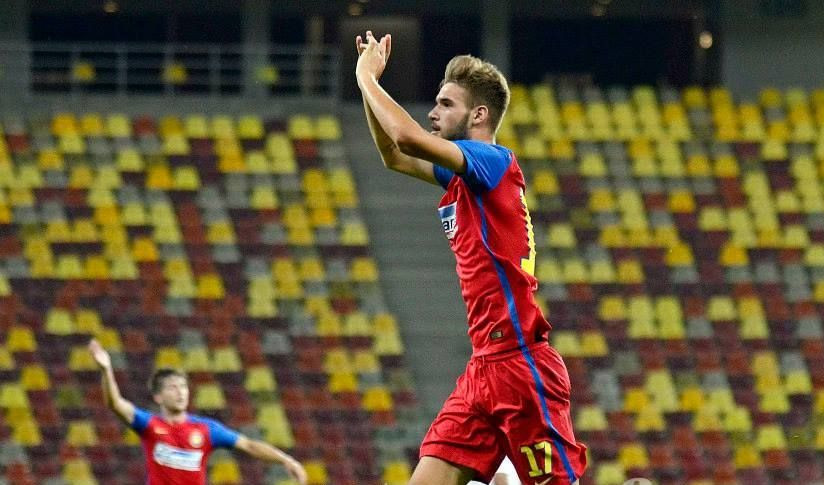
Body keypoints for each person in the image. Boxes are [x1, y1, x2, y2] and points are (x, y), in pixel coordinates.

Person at [355, 31, 588, 485]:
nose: (433, 112)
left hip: (521, 367)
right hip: (482, 369)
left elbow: (406, 136)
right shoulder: (466, 176)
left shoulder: (492, 161)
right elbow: (394, 156)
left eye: (446, 104)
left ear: (479, 114)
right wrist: (366, 85)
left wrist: (368, 78)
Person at [87, 339, 307, 484]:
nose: (180, 392)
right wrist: (106, 370)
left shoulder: (206, 429)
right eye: (173, 388)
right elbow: (115, 404)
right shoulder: (150, 425)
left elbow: (249, 445)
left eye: (183, 387)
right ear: (158, 397)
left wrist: (286, 460)